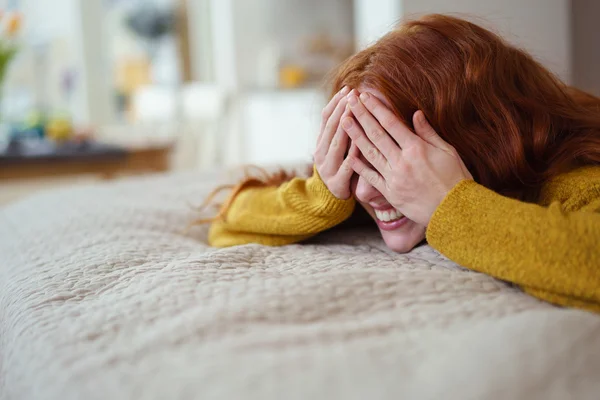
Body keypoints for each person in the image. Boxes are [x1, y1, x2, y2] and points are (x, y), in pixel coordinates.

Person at [195, 14, 600, 313]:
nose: (366, 190)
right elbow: (228, 222)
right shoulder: (353, 190)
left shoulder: (573, 175)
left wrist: (450, 204)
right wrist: (322, 195)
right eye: (359, 157)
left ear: (481, 138)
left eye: (392, 155)